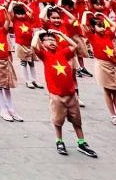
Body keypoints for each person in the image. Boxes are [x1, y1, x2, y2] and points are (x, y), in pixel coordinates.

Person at [33, 29, 98, 158]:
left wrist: (61, 34)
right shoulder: (44, 55)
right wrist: (37, 34)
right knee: (58, 120)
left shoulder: (63, 53)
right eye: (47, 40)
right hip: (57, 95)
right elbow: (34, 46)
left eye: (53, 40)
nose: (51, 42)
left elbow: (74, 45)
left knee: (77, 120)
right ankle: (59, 141)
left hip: (71, 94)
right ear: (42, 43)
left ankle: (81, 142)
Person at [83, 11, 116, 127]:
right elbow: (83, 25)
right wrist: (86, 13)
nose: (103, 28)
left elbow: (114, 25)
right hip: (102, 65)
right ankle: (113, 115)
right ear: (93, 28)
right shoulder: (92, 36)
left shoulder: (108, 34)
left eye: (103, 26)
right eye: (99, 26)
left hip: (113, 65)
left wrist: (104, 16)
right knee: (108, 90)